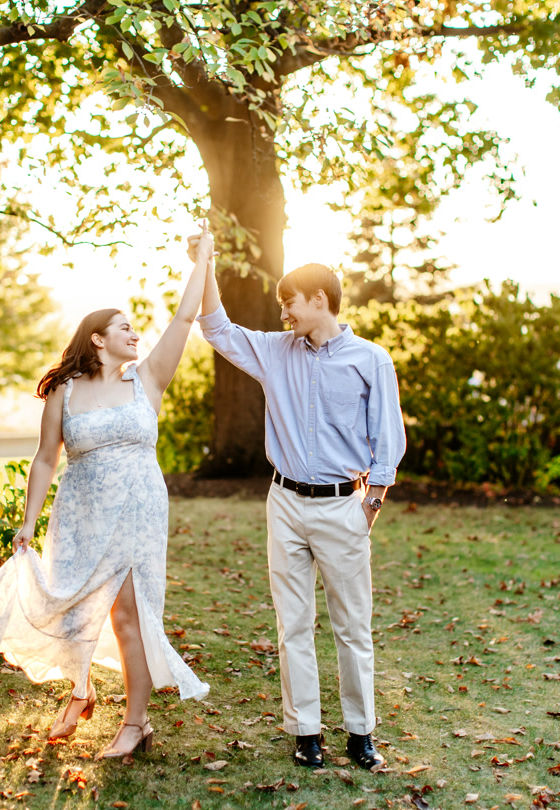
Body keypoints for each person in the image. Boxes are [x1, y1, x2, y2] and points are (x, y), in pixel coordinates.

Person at [0, 223, 214, 762]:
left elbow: (184, 317)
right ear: (97, 339)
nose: (135, 333)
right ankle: (82, 693)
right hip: (80, 510)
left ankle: (136, 724)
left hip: (138, 510)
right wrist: (29, 520)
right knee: (78, 611)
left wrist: (204, 257)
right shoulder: (64, 390)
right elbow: (44, 458)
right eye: (124, 327)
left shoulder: (146, 379)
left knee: (128, 614)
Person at [192, 246, 405, 771]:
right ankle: (305, 730)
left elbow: (388, 437)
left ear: (319, 300)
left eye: (290, 302)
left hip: (343, 506)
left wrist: (370, 504)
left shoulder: (371, 360)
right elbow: (216, 327)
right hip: (284, 502)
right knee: (293, 625)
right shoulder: (273, 351)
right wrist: (206, 267)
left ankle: (361, 734)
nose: (283, 312)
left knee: (353, 627)